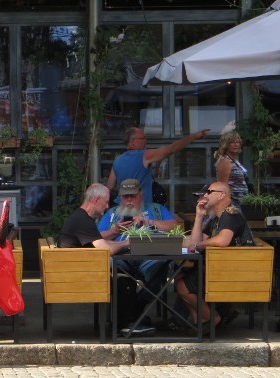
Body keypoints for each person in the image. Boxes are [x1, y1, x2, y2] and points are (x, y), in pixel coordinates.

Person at [97, 178, 179, 333]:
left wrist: (148, 222)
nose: (128, 200)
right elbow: (96, 237)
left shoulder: (156, 209)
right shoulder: (112, 214)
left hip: (148, 257)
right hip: (121, 257)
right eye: (125, 196)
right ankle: (132, 316)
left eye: (132, 196)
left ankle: (135, 310)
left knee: (162, 263)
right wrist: (114, 231)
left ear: (141, 194)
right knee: (115, 270)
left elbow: (174, 227)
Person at [175, 182, 254, 330]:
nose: (204, 195)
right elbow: (195, 241)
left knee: (182, 283)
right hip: (223, 268)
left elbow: (222, 241)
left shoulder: (231, 214)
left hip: (234, 273)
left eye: (209, 192)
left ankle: (211, 318)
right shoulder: (217, 218)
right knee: (180, 277)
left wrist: (198, 246)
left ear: (222, 195)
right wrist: (199, 216)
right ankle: (201, 319)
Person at [107, 126, 210, 205]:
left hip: (121, 207)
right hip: (142, 208)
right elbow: (171, 149)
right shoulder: (144, 155)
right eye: (143, 138)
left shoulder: (117, 160)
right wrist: (195, 136)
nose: (146, 141)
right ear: (133, 141)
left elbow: (110, 186)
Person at [58, 183, 128, 254]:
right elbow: (106, 251)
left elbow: (102, 243)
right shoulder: (83, 221)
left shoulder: (80, 216)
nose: (107, 206)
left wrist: (124, 242)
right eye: (106, 202)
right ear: (96, 200)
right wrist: (125, 243)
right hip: (76, 264)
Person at [213, 130, 250, 207]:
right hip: (232, 203)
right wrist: (228, 205)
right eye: (232, 142)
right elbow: (223, 186)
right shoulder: (225, 161)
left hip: (241, 202)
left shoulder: (234, 161)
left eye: (238, 142)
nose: (236, 145)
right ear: (225, 145)